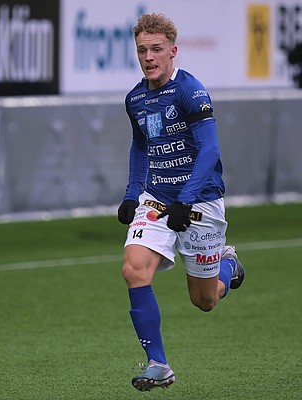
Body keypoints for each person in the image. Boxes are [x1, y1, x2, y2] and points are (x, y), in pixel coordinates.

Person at [117, 13, 246, 392]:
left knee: (205, 301)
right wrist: (131, 194)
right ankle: (158, 363)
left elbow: (210, 151)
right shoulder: (135, 98)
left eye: (156, 49)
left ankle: (228, 266)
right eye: (142, 50)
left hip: (200, 203)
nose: (149, 57)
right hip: (157, 200)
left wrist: (186, 201)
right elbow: (140, 145)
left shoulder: (190, 91)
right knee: (133, 269)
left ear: (173, 51)